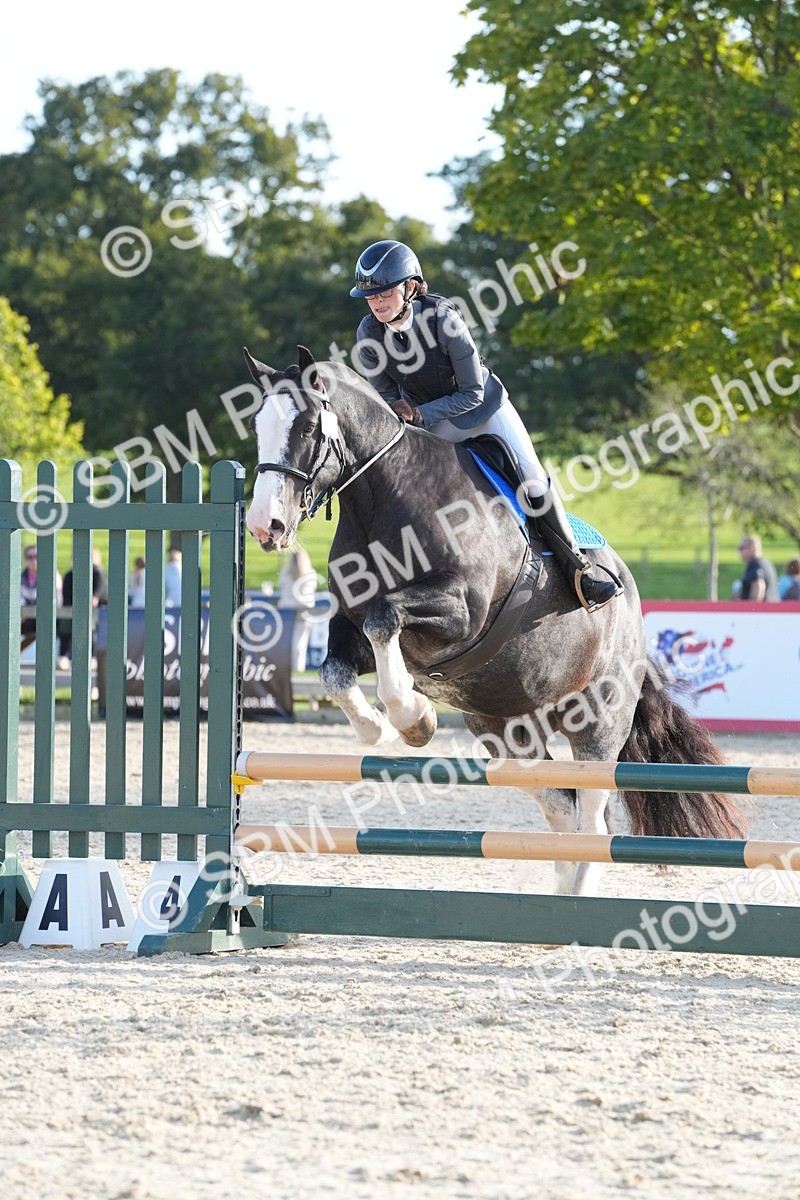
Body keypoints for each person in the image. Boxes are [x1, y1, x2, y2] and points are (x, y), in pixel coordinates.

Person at [350, 240, 621, 611]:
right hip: (434, 424)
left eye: (384, 293)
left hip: (484, 412)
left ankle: (579, 570)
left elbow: (472, 392)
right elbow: (386, 400)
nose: (378, 304)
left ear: (410, 287)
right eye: (370, 298)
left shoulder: (443, 319)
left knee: (532, 478)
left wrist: (420, 414)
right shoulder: (369, 333)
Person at [57, 547, 109, 669]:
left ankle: (92, 657)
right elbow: (66, 596)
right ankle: (63, 656)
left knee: (90, 627)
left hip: (95, 610)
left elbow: (100, 591)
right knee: (65, 625)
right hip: (73, 609)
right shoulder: (70, 575)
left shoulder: (97, 572)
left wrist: (94, 598)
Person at [278, 547, 317, 672]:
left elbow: (284, 594)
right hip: (303, 612)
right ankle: (298, 668)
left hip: (289, 611)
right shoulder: (310, 574)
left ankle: (289, 667)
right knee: (300, 642)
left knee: (290, 643)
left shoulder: (286, 573)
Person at [20, 544, 63, 653]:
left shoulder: (53, 575)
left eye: (37, 556)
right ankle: (10, 652)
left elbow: (57, 600)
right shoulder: (20, 577)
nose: (34, 560)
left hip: (47, 617)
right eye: (30, 557)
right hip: (26, 619)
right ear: (25, 559)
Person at [737, 536, 778, 601]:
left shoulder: (754, 564)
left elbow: (759, 586)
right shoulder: (767, 563)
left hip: (760, 609)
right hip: (771, 607)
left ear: (752, 548)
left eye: (741, 548)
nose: (739, 552)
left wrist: (753, 609)